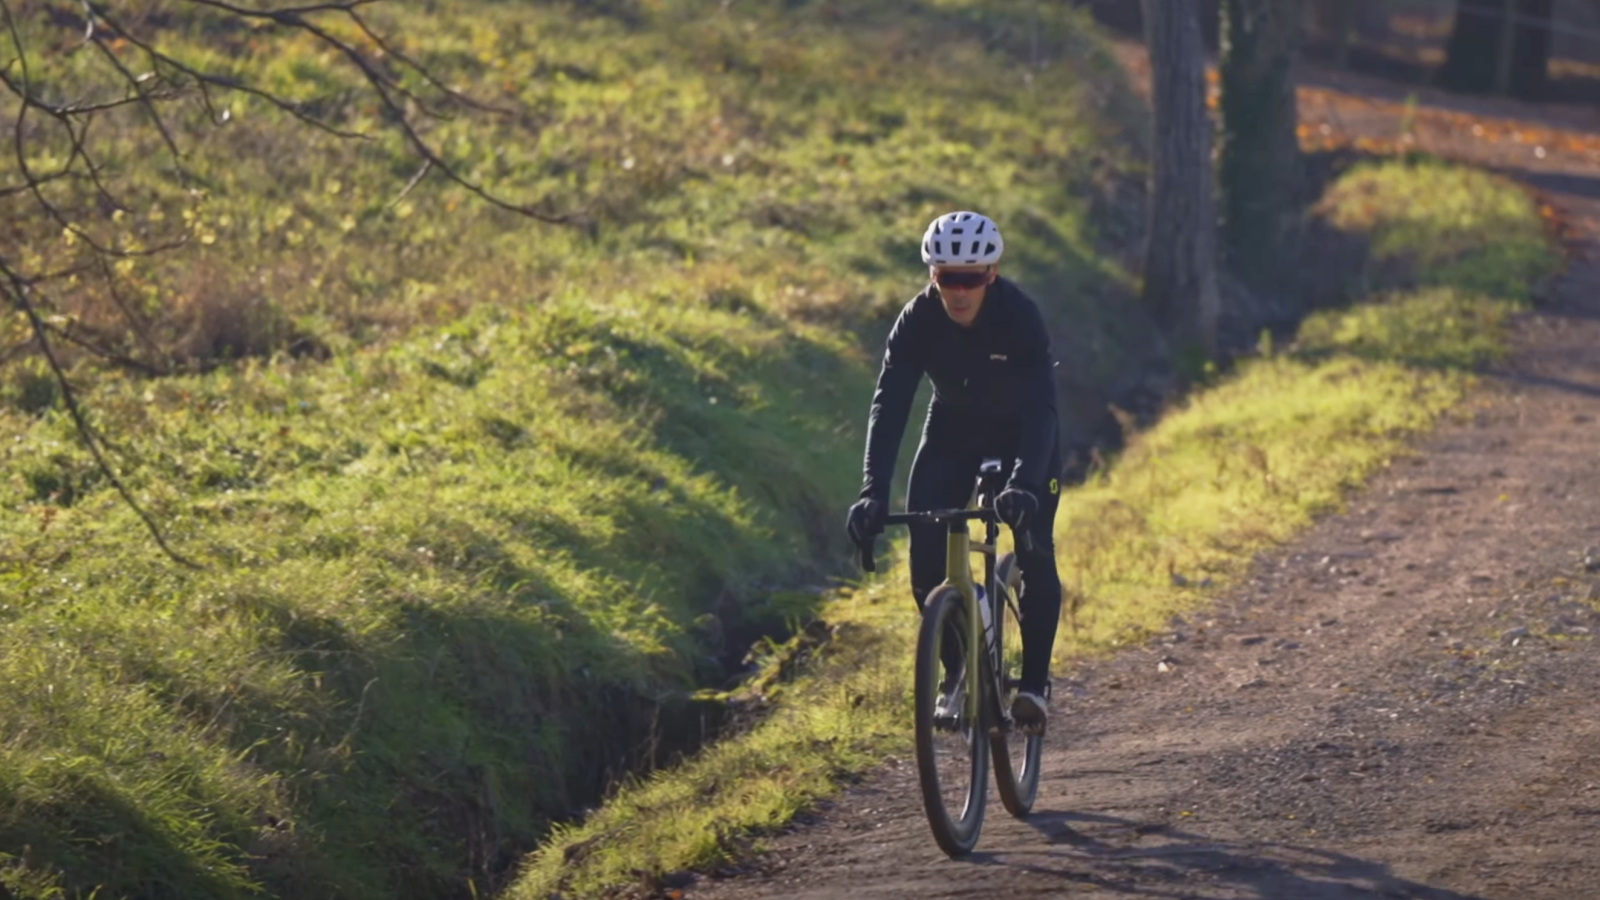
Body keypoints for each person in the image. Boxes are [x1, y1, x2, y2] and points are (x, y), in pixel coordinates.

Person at [846, 210, 1064, 732]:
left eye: (971, 278)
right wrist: (873, 490)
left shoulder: (1019, 316)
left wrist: (1025, 484)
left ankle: (1032, 688)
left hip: (1023, 435)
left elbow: (1042, 410)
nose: (959, 291)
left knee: (1034, 546)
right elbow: (890, 405)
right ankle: (957, 667)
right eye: (947, 278)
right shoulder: (917, 320)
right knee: (925, 563)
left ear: (991, 275)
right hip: (952, 431)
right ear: (932, 276)